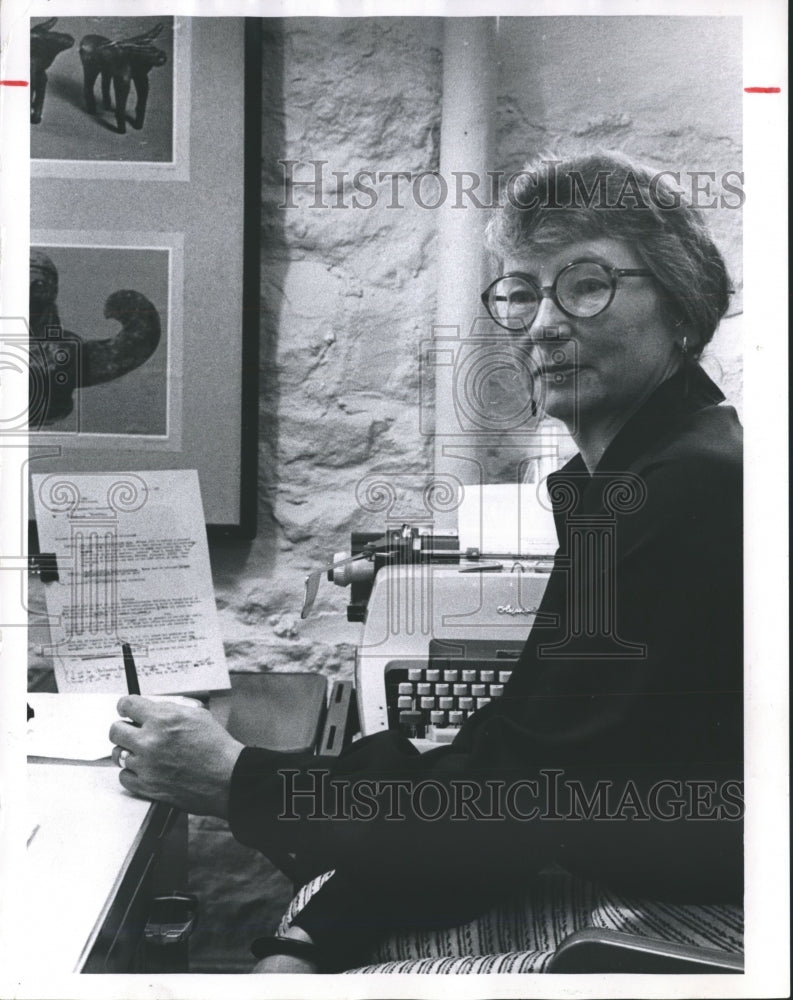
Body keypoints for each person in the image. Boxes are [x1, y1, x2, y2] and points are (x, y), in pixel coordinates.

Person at [109, 151, 743, 974]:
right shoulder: (644, 472)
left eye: (585, 285)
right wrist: (314, 932)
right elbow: (515, 763)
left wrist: (238, 779)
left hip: (696, 922)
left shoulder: (686, 487)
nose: (543, 325)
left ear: (681, 305)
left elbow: (515, 798)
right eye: (522, 292)